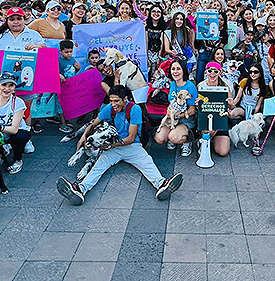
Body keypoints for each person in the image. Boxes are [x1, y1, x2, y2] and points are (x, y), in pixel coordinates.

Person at [56, 85, 184, 206]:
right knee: (98, 167)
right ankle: (80, 190)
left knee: (147, 163)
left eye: (116, 101)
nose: (113, 104)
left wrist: (110, 146)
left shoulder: (134, 109)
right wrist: (84, 136)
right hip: (114, 147)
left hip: (132, 146)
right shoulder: (109, 108)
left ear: (125, 99)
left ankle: (162, 185)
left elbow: (131, 138)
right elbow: (93, 123)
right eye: (111, 101)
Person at [153, 59, 197, 157]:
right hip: (172, 118)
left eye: (178, 69)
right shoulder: (172, 84)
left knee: (173, 137)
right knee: (159, 138)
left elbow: (192, 110)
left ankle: (187, 141)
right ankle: (173, 135)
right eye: (173, 69)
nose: (175, 72)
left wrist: (178, 116)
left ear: (183, 70)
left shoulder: (190, 86)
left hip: (185, 119)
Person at [145, 4, 168, 73]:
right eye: (154, 11)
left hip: (159, 54)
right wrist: (146, 57)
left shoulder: (164, 26)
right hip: (147, 53)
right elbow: (146, 41)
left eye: (158, 12)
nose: (156, 13)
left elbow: (162, 42)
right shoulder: (146, 25)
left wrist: (159, 57)